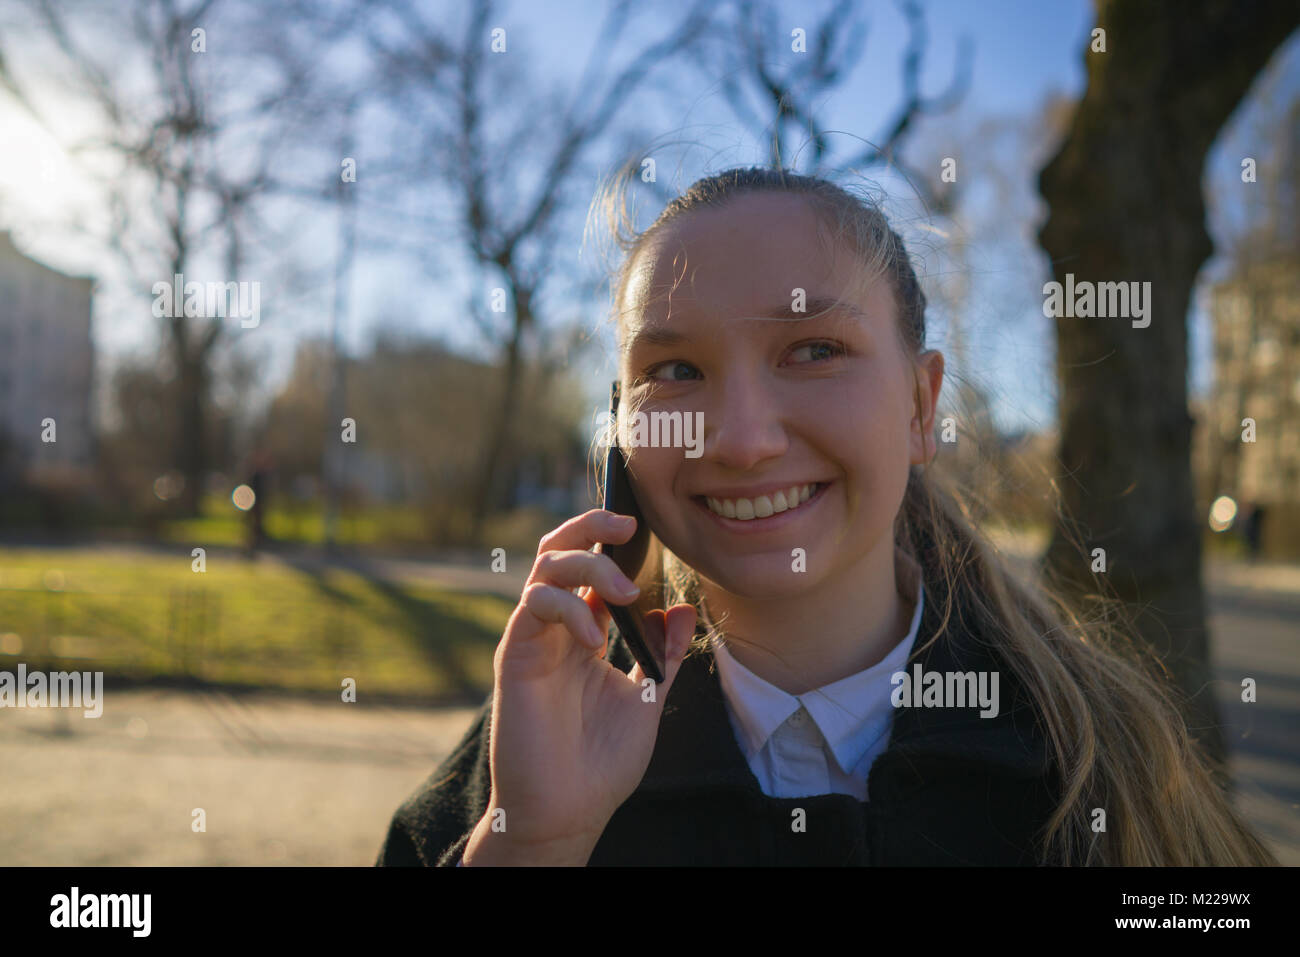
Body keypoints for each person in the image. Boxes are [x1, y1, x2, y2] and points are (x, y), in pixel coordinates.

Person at [377, 166, 1275, 866]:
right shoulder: (514, 778)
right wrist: (534, 845)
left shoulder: (1105, 768)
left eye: (814, 349)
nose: (740, 438)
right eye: (675, 370)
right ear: (621, 433)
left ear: (921, 408)